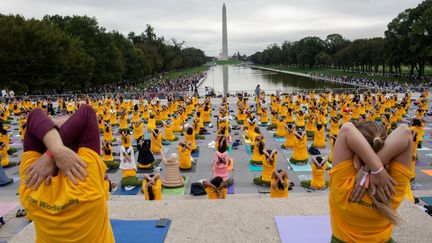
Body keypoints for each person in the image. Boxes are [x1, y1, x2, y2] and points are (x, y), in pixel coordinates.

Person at [19, 105, 114, 242]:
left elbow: (35, 115)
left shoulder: (31, 181)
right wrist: (55, 151)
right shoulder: (87, 179)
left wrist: (54, 148)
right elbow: (87, 113)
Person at [329, 122, 412, 242]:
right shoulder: (393, 186)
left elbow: (347, 129)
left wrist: (372, 168)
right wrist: (376, 169)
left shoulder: (342, 183)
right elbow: (404, 131)